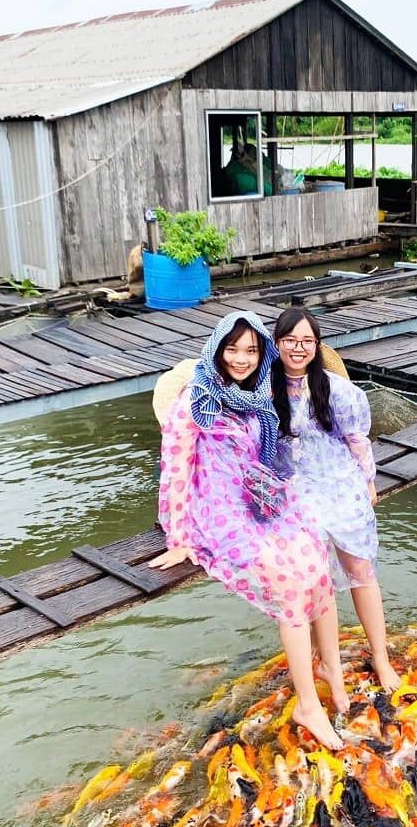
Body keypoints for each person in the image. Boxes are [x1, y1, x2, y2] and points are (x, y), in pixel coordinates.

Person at [148, 311, 347, 749]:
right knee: (289, 581)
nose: (241, 359)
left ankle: (329, 665)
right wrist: (178, 537)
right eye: (232, 349)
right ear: (218, 349)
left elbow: (267, 454)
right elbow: (176, 469)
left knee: (316, 552)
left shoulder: (255, 396)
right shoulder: (193, 401)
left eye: (251, 350)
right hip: (217, 508)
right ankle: (307, 706)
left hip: (257, 497)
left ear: (262, 354)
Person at [271, 308, 402, 693]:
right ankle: (319, 657)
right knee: (311, 576)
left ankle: (380, 655)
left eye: (306, 341)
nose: (298, 348)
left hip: (339, 484)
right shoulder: (264, 390)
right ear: (277, 343)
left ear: (317, 345)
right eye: (290, 340)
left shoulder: (337, 389)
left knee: (361, 571)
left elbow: (357, 439)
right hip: (294, 491)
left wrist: (368, 482)